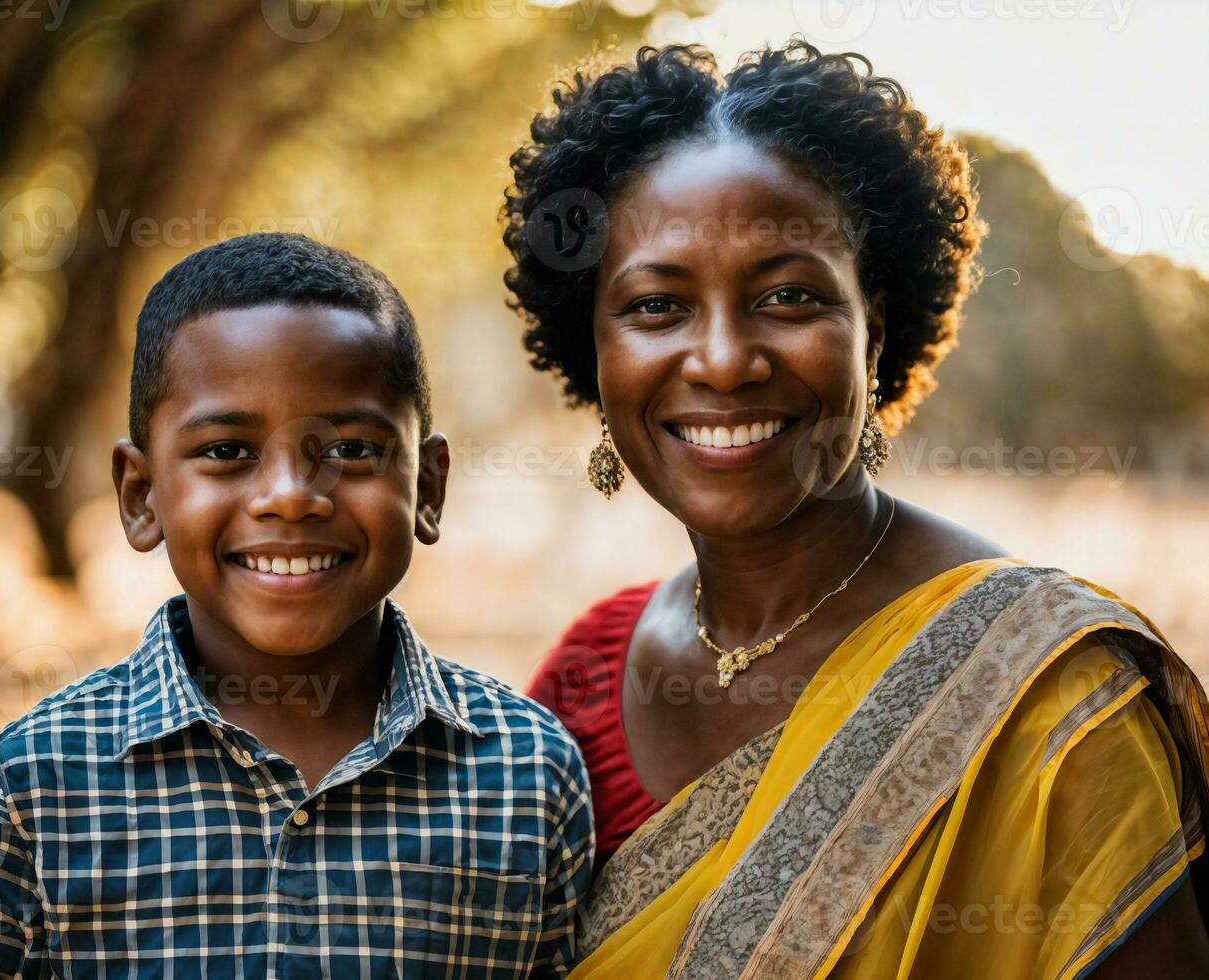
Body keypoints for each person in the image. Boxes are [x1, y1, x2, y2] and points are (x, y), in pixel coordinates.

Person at [505, 41, 1209, 978]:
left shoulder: (1041, 692)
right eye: (656, 307)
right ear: (591, 349)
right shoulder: (583, 678)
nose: (721, 360)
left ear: (873, 328)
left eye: (788, 296)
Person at [0, 232, 594, 978]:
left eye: (349, 450)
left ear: (427, 487)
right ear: (141, 497)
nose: (289, 497)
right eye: (227, 451)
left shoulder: (526, 773)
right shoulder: (33, 784)